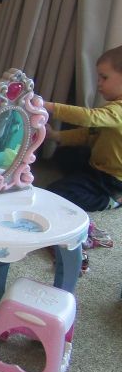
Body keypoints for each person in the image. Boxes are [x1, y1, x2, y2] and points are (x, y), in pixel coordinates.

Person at [44, 45, 122, 268]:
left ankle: (112, 200)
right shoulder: (114, 107)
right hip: (96, 164)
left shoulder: (118, 111)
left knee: (56, 194)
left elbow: (90, 118)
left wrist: (49, 106)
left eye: (104, 77)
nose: (99, 83)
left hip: (111, 179)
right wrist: (56, 136)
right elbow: (89, 134)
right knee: (65, 154)